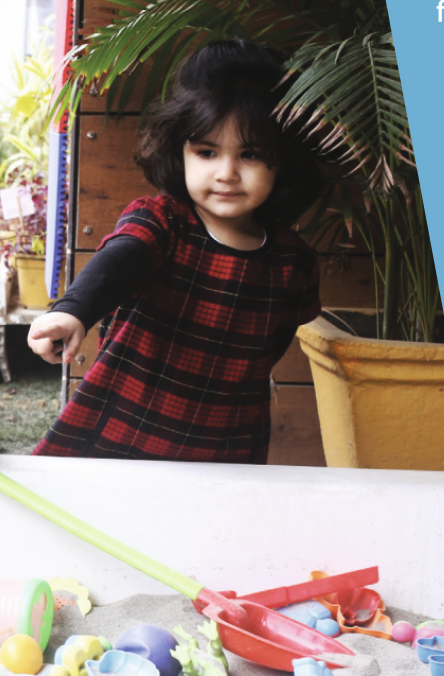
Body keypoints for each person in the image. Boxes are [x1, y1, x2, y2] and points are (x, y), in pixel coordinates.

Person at [27, 39, 323, 464]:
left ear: (284, 162)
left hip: (228, 443)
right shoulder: (163, 221)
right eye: (207, 152)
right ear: (179, 152)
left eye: (251, 154)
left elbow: (273, 345)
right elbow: (122, 259)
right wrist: (73, 310)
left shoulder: (294, 261)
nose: (226, 173)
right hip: (124, 425)